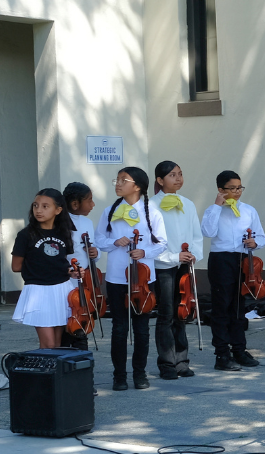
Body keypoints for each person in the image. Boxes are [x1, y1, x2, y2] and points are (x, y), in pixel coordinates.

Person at [96, 166, 167, 391]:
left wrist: (144, 251)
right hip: (117, 276)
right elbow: (99, 239)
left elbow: (162, 243)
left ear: (137, 186)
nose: (118, 184)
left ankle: (139, 373)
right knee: (119, 328)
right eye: (116, 180)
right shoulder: (110, 211)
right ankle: (119, 376)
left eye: (123, 180)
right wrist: (114, 242)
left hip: (144, 279)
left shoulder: (153, 212)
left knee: (142, 328)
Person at [200, 170, 265, 371]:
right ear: (221, 190)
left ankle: (239, 349)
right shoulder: (213, 210)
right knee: (222, 307)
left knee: (239, 306)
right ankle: (221, 353)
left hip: (243, 259)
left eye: (239, 188)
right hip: (221, 259)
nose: (237, 192)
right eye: (232, 188)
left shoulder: (248, 210)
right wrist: (216, 206)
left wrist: (255, 242)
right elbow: (207, 232)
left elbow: (261, 236)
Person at [11, 189, 81, 350]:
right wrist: (42, 267)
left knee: (56, 344)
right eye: (35, 205)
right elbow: (16, 266)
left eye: (45, 206)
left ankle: (52, 368)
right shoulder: (25, 235)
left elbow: (60, 262)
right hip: (39, 291)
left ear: (58, 210)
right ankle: (44, 367)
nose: (38, 210)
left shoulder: (64, 233)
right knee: (48, 344)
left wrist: (71, 271)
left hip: (61, 290)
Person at [151, 161, 202, 380]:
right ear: (160, 180)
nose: (178, 178)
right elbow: (152, 242)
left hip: (184, 264)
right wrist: (173, 256)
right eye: (172, 175)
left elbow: (196, 235)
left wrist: (193, 254)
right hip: (163, 265)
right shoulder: (151, 205)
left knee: (182, 312)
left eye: (180, 174)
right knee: (166, 314)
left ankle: (182, 361)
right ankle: (166, 363)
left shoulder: (187, 204)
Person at [62, 182, 101, 350]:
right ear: (75, 204)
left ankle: (81, 349)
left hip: (85, 280)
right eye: (89, 200)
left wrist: (95, 253)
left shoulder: (87, 222)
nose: (93, 204)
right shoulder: (61, 223)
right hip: (67, 280)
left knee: (82, 318)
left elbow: (93, 250)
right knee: (66, 319)